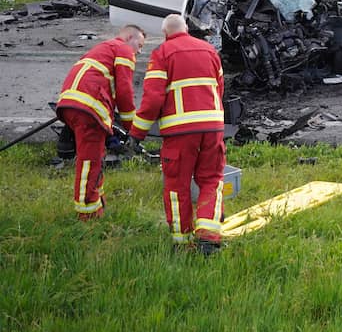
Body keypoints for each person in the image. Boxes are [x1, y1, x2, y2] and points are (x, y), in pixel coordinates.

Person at [129, 15, 226, 255]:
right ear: (187, 29)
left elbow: (153, 99)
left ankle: (182, 242)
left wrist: (137, 133)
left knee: (177, 184)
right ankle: (208, 235)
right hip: (213, 127)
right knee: (212, 179)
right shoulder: (210, 50)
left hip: (180, 131)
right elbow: (220, 88)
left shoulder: (162, 53)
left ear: (165, 34)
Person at [55, 25, 146, 220]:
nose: (139, 51)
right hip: (89, 107)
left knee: (95, 156)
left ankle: (98, 201)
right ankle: (87, 213)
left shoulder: (102, 48)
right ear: (129, 37)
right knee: (90, 160)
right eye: (139, 45)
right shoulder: (123, 49)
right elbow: (124, 91)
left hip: (72, 104)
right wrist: (132, 128)